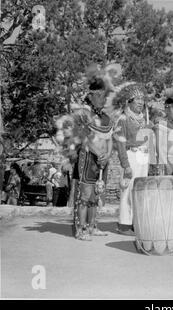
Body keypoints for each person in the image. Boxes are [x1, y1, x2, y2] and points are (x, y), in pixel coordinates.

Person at [67, 65, 114, 241]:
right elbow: (84, 139)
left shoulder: (107, 118)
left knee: (96, 194)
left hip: (103, 161)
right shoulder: (83, 115)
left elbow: (109, 140)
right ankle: (81, 229)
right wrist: (97, 154)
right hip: (87, 159)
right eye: (99, 96)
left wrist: (107, 155)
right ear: (90, 96)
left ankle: (93, 226)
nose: (102, 100)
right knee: (85, 195)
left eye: (104, 97)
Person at [113, 84, 155, 234]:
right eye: (137, 99)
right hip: (131, 156)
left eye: (142, 99)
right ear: (129, 102)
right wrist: (126, 165)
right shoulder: (123, 119)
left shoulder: (144, 120)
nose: (140, 102)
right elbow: (120, 143)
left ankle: (136, 222)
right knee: (128, 189)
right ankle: (124, 224)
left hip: (143, 157)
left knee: (140, 190)